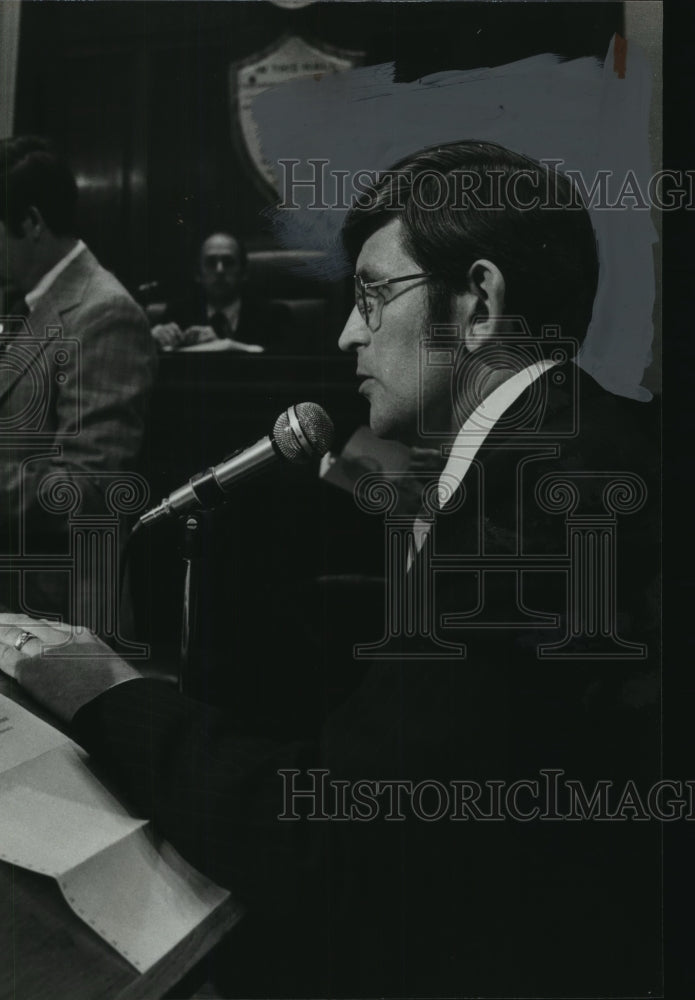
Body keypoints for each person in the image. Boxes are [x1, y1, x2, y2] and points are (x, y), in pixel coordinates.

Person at [0, 141, 660, 997]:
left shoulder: (531, 515)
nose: (350, 332)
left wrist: (109, 694)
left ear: (480, 303)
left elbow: (331, 843)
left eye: (373, 295)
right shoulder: (577, 444)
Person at [0, 135, 157, 635]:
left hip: (58, 615)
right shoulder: (29, 301)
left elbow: (91, 491)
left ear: (29, 223)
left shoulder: (103, 313)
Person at [151, 231, 289, 353]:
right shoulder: (177, 313)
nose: (219, 270)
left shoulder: (274, 316)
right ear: (198, 274)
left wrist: (230, 347)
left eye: (228, 262)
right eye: (211, 263)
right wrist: (150, 341)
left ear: (244, 273)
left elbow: (287, 368)